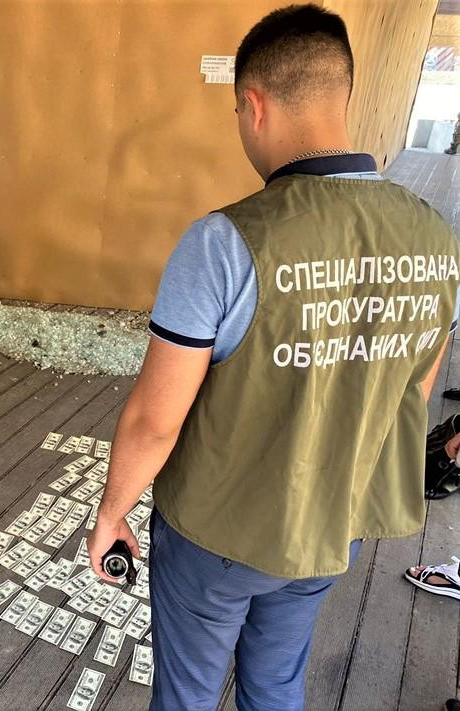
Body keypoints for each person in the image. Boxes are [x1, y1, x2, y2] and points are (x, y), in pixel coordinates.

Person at [87, 5, 460, 710]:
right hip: (334, 524)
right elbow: (412, 395)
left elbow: (155, 422)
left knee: (188, 694)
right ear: (342, 94)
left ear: (254, 105)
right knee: (277, 682)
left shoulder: (223, 242)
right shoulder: (437, 238)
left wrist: (113, 511)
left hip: (217, 536)